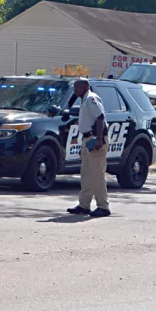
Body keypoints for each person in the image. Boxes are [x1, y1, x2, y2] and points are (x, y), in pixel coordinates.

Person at [67, 79, 111, 217]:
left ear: (86, 86)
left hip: (96, 139)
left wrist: (99, 139)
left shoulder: (91, 99)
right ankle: (84, 205)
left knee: (97, 174)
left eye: (77, 87)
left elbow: (100, 117)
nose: (75, 90)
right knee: (86, 174)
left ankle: (103, 206)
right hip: (87, 139)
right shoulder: (84, 100)